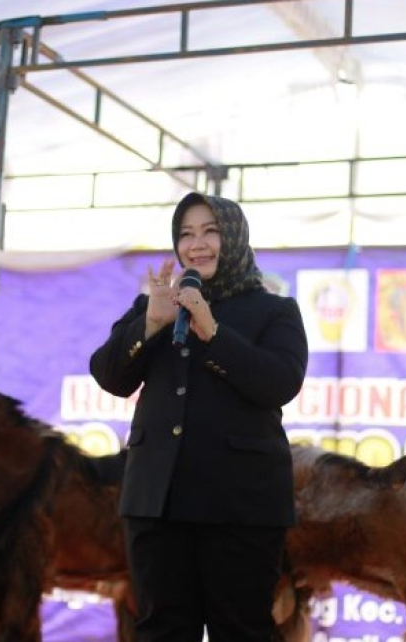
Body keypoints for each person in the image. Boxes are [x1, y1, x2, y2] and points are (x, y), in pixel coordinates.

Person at [90, 192, 309, 641]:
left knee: (242, 631)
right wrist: (150, 324)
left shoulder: (274, 311)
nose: (197, 244)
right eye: (186, 234)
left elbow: (280, 382)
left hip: (240, 506)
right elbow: (109, 375)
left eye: (211, 231)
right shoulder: (155, 306)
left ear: (234, 237)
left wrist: (214, 334)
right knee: (161, 630)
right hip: (158, 504)